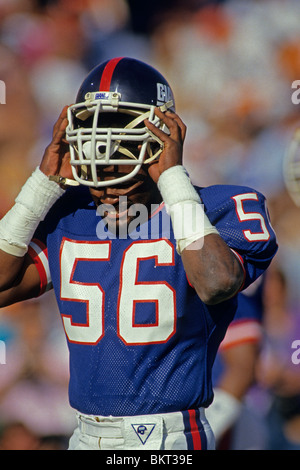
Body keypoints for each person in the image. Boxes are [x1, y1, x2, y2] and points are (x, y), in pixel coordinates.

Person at [0, 57, 277, 451]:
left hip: (168, 438)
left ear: (160, 141)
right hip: (83, 434)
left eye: (122, 148)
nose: (107, 169)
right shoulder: (72, 214)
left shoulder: (217, 208)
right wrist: (41, 186)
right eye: (97, 150)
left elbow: (217, 283)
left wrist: (173, 180)